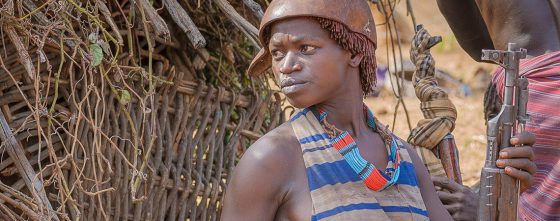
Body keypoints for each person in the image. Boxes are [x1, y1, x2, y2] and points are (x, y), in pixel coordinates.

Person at [221, 1, 536, 220]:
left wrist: (503, 200)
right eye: (277, 53)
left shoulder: (405, 158)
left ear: (354, 52)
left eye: (306, 49)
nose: (285, 66)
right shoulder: (272, 160)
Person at [435, 1, 560, 220]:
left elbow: (477, 45)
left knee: (521, 190)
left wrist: (487, 211)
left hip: (534, 83)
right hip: (536, 83)